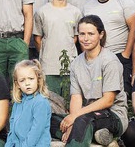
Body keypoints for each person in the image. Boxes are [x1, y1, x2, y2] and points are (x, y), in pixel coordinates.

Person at [51, 15, 128, 147]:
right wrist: (71, 123)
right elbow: (76, 98)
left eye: (91, 34)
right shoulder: (76, 63)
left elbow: (108, 100)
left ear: (101, 34)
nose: (85, 39)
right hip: (87, 114)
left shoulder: (110, 61)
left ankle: (82, 136)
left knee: (82, 121)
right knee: (50, 119)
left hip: (113, 115)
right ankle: (99, 136)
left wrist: (75, 118)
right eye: (82, 34)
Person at [82, 0, 135, 94]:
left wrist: (126, 54)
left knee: (121, 95)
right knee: (98, 95)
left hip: (119, 56)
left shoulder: (124, 1)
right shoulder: (88, 7)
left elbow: (134, 29)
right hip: (97, 58)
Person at [33, 0, 82, 95]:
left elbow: (76, 38)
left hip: (69, 67)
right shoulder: (42, 12)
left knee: (68, 104)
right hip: (48, 67)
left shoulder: (76, 12)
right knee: (51, 103)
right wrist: (46, 54)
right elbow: (38, 38)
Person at [5, 60, 51, 147]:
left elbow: (36, 130)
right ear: (17, 84)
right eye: (22, 80)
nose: (27, 83)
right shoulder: (18, 102)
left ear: (38, 79)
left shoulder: (40, 102)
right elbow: (12, 128)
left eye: (31, 79)